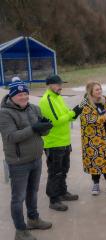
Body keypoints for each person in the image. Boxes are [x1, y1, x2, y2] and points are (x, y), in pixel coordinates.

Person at [0, 81, 53, 240]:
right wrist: (34, 128)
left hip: (36, 158)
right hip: (18, 162)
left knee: (33, 192)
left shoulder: (34, 108)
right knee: (18, 197)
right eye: (19, 94)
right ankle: (20, 230)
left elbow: (43, 133)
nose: (23, 97)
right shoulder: (4, 113)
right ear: (12, 95)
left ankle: (33, 219)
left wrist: (45, 126)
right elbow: (11, 137)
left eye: (25, 94)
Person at [39, 74, 82, 211]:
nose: (60, 87)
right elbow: (56, 120)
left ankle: (62, 192)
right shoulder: (47, 100)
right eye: (57, 84)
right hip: (54, 143)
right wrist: (72, 113)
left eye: (61, 84)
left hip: (64, 141)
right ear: (50, 85)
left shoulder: (58, 98)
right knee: (55, 172)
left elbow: (66, 114)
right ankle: (54, 199)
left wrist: (75, 111)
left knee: (64, 169)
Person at [80, 82, 106, 195]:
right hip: (94, 139)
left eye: (100, 89)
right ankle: (96, 184)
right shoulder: (86, 105)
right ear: (91, 92)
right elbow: (87, 120)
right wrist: (101, 118)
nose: (99, 91)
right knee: (96, 160)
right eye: (96, 90)